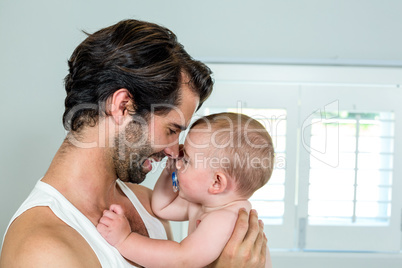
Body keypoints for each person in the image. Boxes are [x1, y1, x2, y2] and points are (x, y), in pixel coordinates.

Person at [0, 19, 268, 267]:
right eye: (172, 129)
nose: (175, 151)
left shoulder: (146, 203)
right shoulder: (42, 249)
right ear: (122, 106)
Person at [97, 112, 274, 268]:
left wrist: (125, 240)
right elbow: (162, 207)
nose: (179, 162)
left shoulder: (225, 220)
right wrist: (170, 170)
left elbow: (181, 260)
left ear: (216, 182)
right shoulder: (204, 204)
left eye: (187, 160)